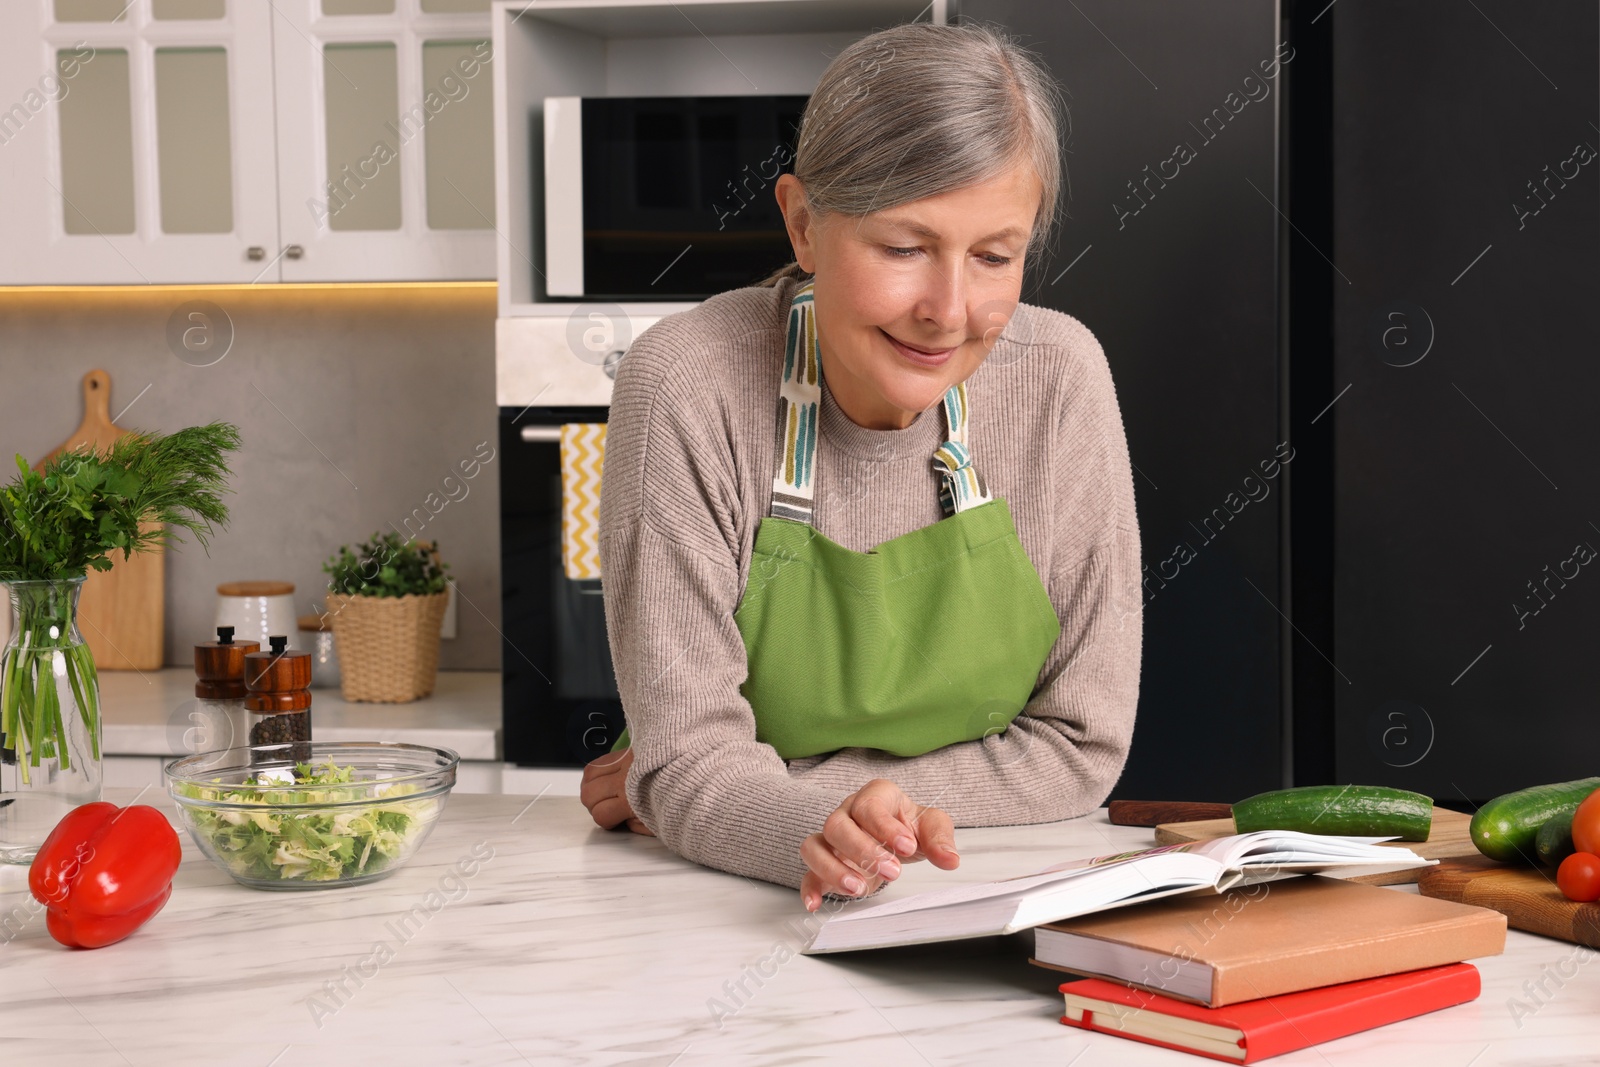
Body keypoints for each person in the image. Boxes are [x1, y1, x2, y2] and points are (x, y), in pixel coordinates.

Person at [581, 21, 1142, 913]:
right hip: (717, 900)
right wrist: (731, 798)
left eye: (995, 256)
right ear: (804, 224)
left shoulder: (1061, 380)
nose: (949, 312)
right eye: (904, 248)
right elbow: (691, 757)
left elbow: (1082, 749)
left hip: (991, 884)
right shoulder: (686, 384)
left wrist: (778, 790)